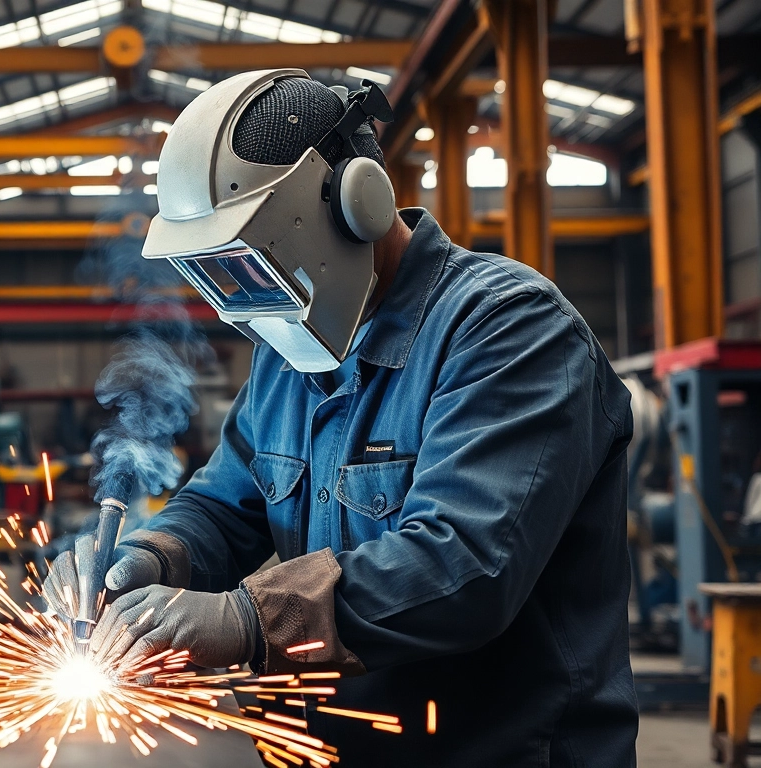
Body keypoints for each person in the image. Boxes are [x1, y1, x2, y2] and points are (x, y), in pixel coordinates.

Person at [45, 70, 638, 767]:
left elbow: (466, 566)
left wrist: (246, 619)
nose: (248, 302)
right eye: (220, 276)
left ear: (354, 201)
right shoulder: (290, 353)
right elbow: (224, 506)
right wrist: (150, 556)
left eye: (252, 265)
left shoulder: (508, 330)